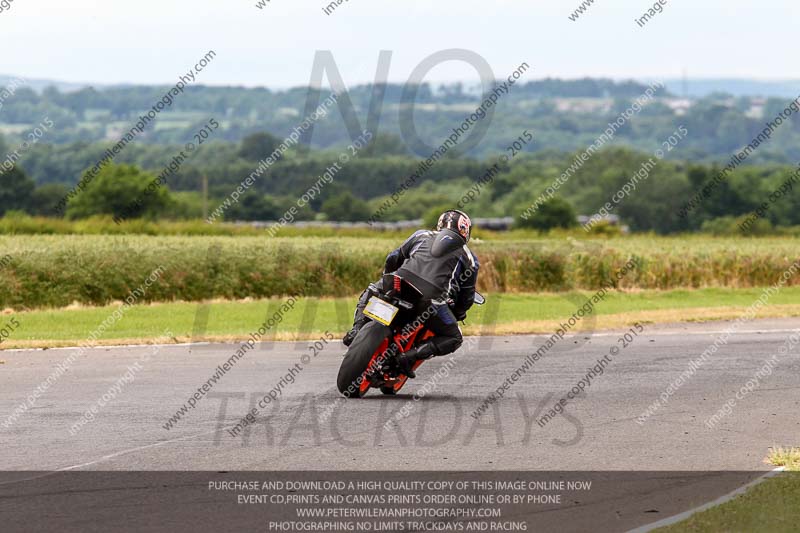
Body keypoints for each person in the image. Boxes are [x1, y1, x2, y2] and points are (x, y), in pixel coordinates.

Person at [343, 209, 479, 378]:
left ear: (440, 224)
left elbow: (393, 258)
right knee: (454, 337)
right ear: (465, 231)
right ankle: (408, 358)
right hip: (430, 300)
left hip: (398, 283)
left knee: (373, 289)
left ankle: (356, 330)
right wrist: (459, 313)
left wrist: (388, 277)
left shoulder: (420, 235)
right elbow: (467, 296)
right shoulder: (469, 258)